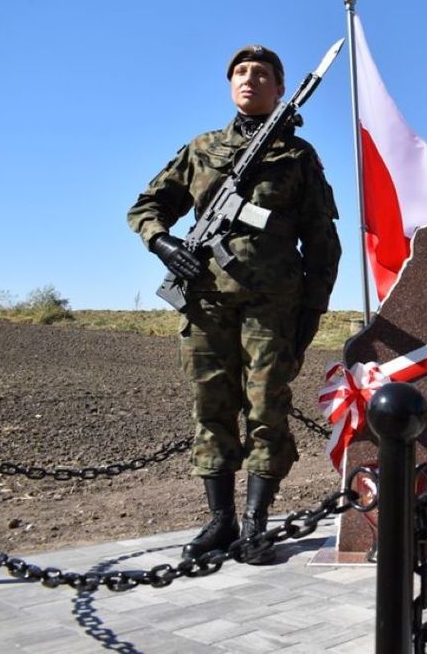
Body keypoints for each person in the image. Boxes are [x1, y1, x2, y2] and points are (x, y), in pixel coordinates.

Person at [128, 44, 342, 563]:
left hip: (272, 307)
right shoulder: (202, 149)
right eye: (241, 72)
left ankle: (255, 521)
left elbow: (322, 243)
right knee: (211, 408)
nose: (250, 79)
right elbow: (148, 206)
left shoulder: (297, 156)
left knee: (268, 409)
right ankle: (219, 520)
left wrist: (310, 314)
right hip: (205, 303)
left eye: (262, 73)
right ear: (230, 85)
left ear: (279, 86)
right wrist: (164, 242)